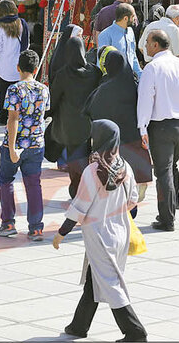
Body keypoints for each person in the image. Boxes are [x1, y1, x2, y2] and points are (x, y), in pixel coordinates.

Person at [54, 120, 149, 341]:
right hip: (120, 231)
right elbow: (133, 199)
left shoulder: (93, 170)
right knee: (94, 280)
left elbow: (80, 205)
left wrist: (61, 233)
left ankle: (135, 332)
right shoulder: (125, 166)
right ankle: (78, 326)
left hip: (99, 234)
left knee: (110, 284)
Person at [137, 30, 179, 232]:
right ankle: (173, 205)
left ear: (156, 45)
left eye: (147, 42)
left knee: (163, 171)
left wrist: (142, 126)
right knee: (171, 167)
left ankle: (167, 218)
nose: (145, 46)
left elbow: (146, 99)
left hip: (162, 126)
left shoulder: (152, 68)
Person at [86, 47, 154, 208]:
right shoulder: (135, 81)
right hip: (134, 135)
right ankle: (134, 198)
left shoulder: (105, 87)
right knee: (136, 169)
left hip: (114, 140)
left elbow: (92, 109)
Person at [0, 49, 49, 240]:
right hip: (36, 144)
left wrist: (11, 148)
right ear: (36, 69)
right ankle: (36, 227)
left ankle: (8, 222)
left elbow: (13, 119)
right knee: (34, 184)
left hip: (16, 143)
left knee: (6, 180)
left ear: (18, 67)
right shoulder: (44, 89)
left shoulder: (14, 90)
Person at [50, 26, 102, 198]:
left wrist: (50, 113)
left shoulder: (63, 74)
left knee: (74, 157)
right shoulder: (93, 71)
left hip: (69, 122)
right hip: (89, 121)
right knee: (87, 156)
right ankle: (86, 189)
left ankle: (77, 189)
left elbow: (54, 98)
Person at [0, 0, 28, 125]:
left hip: (4, 66)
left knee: (4, 92)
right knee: (19, 92)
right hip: (19, 65)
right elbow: (27, 45)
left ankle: (3, 117)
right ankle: (20, 116)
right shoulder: (22, 24)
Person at [97, 2, 142, 76]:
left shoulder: (130, 32)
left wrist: (140, 76)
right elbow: (101, 62)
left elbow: (133, 56)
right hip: (114, 82)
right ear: (125, 18)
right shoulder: (106, 35)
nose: (135, 19)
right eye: (133, 16)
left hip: (129, 79)